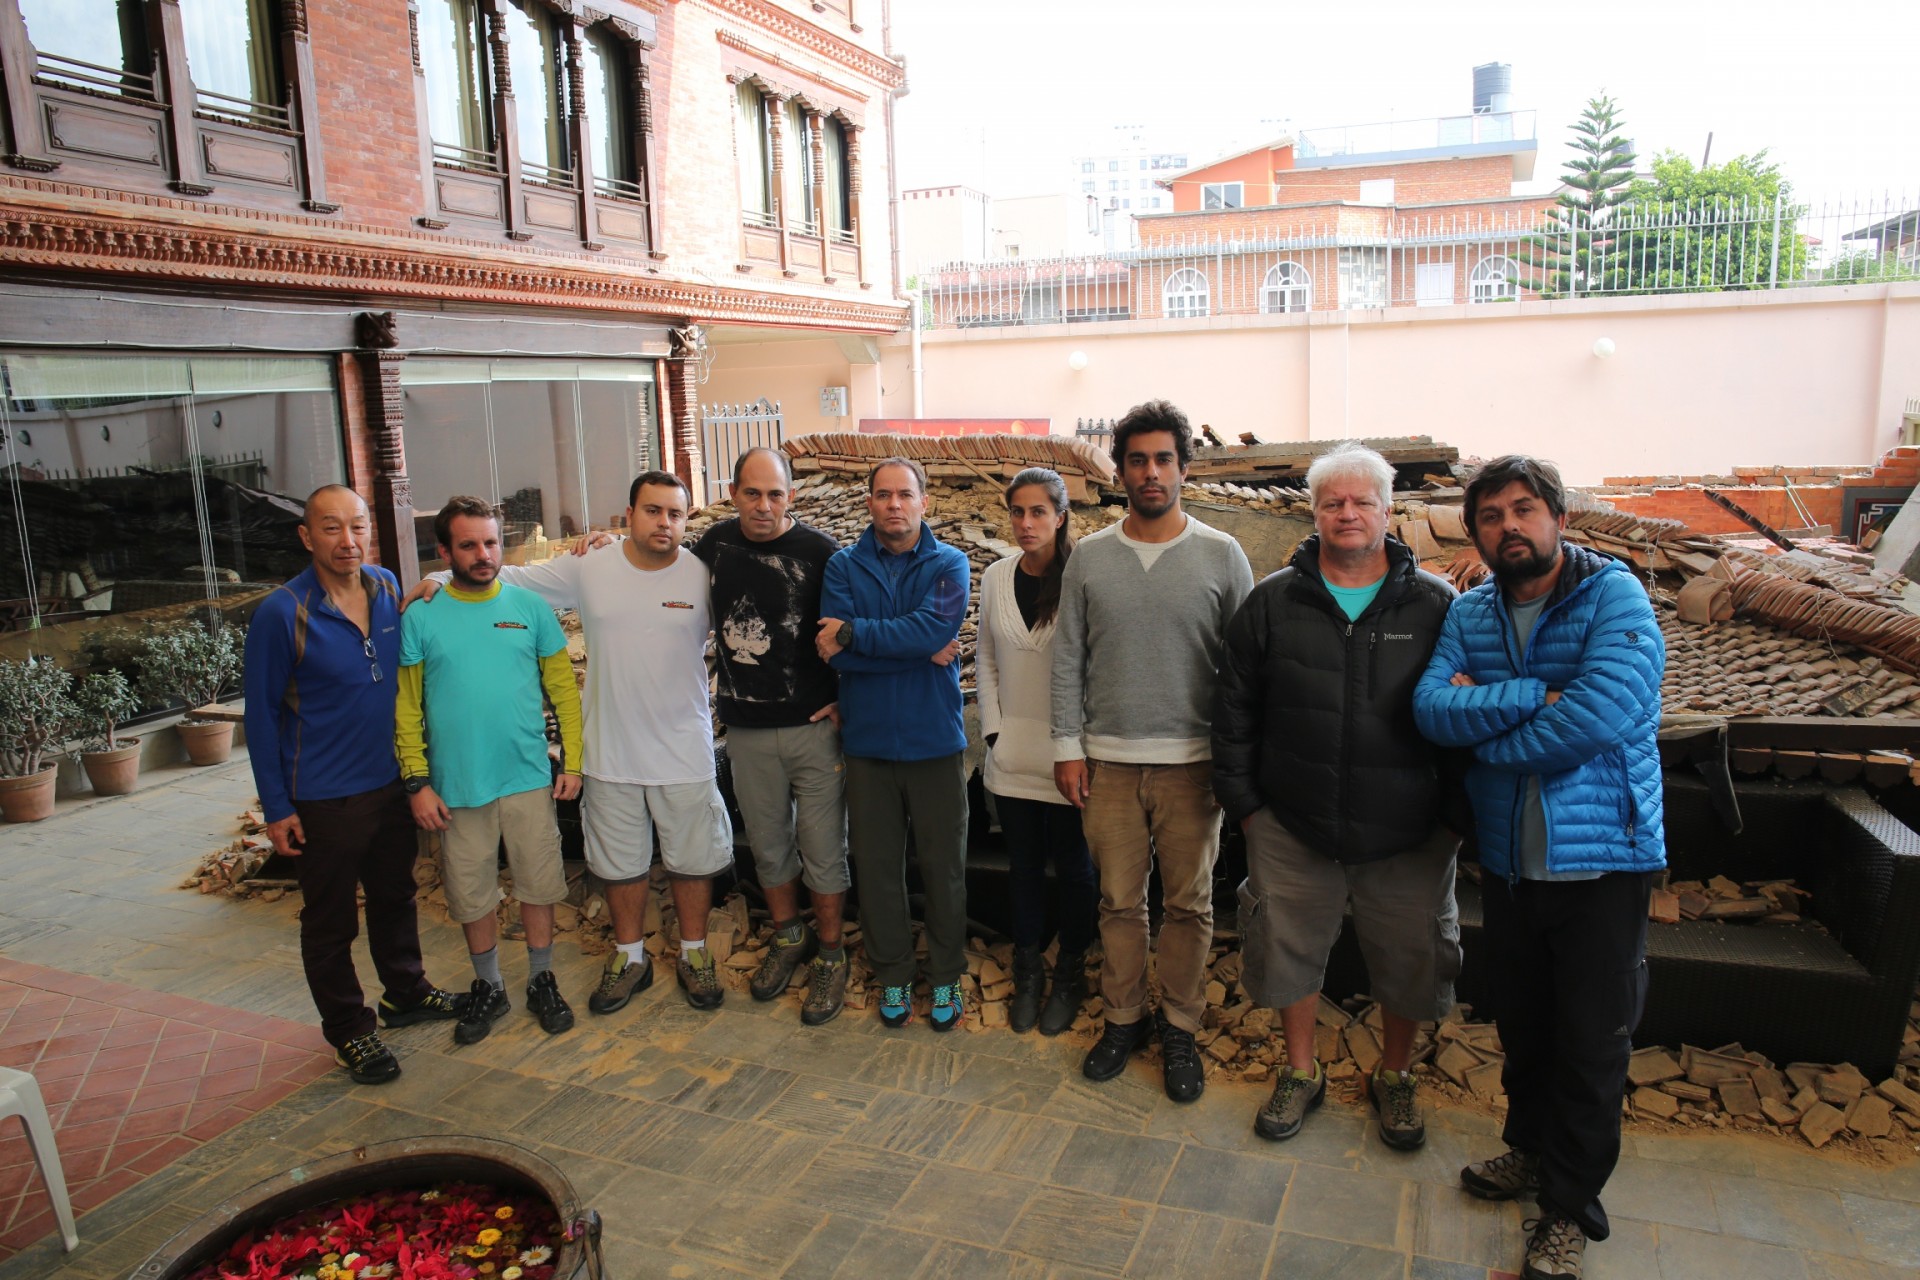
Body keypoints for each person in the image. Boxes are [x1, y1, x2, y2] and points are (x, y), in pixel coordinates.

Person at [1413, 455, 1666, 1280]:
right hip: (1513, 868)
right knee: (1525, 1026)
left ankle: (1567, 1211)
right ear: (1475, 532)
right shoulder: (1473, 610)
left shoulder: (1614, 597)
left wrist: (1485, 738)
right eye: (1491, 516)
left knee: (1592, 1046)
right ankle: (1527, 1153)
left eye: (1525, 510)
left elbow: (1597, 716)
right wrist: (1529, 697)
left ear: (1558, 517)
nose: (1509, 527)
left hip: (1603, 864)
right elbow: (1428, 708)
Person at [1212, 442, 1461, 1150]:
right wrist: (1250, 811)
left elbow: (1469, 722)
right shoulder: (1270, 603)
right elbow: (1232, 712)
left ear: (1388, 510)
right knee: (1286, 947)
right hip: (1291, 822)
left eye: (1362, 502)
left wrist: (1453, 821)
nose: (1347, 514)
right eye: (1333, 503)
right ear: (1313, 511)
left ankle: (1395, 1075)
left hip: (1412, 830)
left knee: (1411, 955)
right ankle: (1300, 1071)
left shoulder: (1440, 606)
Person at [414, 471, 732, 1016]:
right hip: (608, 749)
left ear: (686, 519)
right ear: (628, 513)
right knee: (618, 863)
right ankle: (629, 956)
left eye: (675, 513)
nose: (664, 522)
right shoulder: (591, 567)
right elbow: (509, 577)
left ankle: (695, 953)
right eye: (652, 510)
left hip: (684, 748)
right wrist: (441, 577)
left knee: (693, 859)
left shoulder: (702, 575)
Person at [1052, 400, 1254, 1102]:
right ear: (1119, 469)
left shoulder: (1222, 555)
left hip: (1193, 766)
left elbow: (1245, 670)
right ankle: (1123, 1017)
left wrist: (1237, 761)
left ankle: (1179, 1027)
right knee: (1117, 903)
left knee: (1190, 907)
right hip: (1106, 763)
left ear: (1184, 468)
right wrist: (1067, 747)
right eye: (1136, 459)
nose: (1150, 471)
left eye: (1163, 458)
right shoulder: (1091, 559)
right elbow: (1067, 659)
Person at [243, 485, 461, 1085]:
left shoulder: (387, 586)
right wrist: (277, 806)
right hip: (322, 796)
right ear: (306, 536)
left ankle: (406, 993)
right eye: (331, 528)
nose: (348, 540)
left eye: (357, 526)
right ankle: (349, 1031)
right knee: (332, 921)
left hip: (390, 783)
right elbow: (260, 718)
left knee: (396, 897)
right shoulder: (283, 613)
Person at [396, 496, 585, 1046]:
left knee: (538, 884)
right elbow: (406, 708)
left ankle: (541, 979)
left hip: (527, 778)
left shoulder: (530, 610)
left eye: (492, 542)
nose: (484, 555)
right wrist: (416, 781)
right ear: (444, 551)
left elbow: (563, 695)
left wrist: (573, 760)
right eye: (469, 545)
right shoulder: (422, 614)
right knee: (472, 892)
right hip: (456, 788)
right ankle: (490, 986)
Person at [692, 447, 852, 1025]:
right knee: (767, 843)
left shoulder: (821, 554)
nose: (764, 506)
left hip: (813, 730)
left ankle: (831, 955)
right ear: (733, 493)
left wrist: (845, 696)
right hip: (748, 730)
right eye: (752, 493)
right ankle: (790, 937)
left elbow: (844, 632)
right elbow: (653, 574)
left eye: (776, 494)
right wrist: (599, 549)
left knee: (824, 848)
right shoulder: (714, 546)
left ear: (792, 495)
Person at [817, 456, 972, 1031]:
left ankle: (948, 975)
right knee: (878, 866)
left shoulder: (949, 563)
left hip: (935, 742)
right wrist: (911, 649)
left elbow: (932, 631)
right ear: (869, 503)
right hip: (869, 745)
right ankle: (895, 975)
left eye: (904, 494)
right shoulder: (843, 566)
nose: (894, 505)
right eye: (883, 495)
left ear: (923, 502)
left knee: (944, 868)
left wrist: (858, 637)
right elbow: (831, 651)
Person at [976, 467, 1097, 1035]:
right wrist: (995, 732)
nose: (1026, 524)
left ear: (1061, 515)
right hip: (1012, 757)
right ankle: (1028, 968)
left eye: (1038, 512)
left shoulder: (1083, 576)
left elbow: (1097, 668)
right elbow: (988, 660)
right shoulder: (997, 577)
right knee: (1022, 868)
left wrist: (1081, 745)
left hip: (1069, 758)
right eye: (1018, 512)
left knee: (1075, 869)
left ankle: (1070, 969)